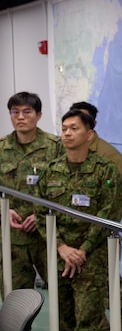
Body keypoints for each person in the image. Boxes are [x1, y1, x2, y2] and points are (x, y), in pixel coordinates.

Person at [35, 109, 122, 331]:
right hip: (60, 257)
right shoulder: (51, 171)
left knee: (88, 324)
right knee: (64, 320)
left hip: (91, 258)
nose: (67, 133)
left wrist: (82, 249)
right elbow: (41, 213)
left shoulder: (105, 170)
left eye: (74, 128)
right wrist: (62, 247)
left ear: (90, 134)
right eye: (64, 129)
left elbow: (109, 213)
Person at [70, 100, 122, 331]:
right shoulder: (65, 151)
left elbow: (119, 193)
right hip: (74, 231)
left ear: (92, 125)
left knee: (110, 277)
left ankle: (119, 320)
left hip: (102, 230)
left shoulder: (108, 155)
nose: (75, 128)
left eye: (82, 121)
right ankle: (97, 319)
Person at [0, 92, 61, 293]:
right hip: (11, 239)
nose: (20, 117)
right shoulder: (1, 148)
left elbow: (66, 188)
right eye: (15, 112)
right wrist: (3, 210)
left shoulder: (56, 147)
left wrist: (42, 215)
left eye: (27, 112)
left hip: (47, 235)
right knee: (14, 299)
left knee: (62, 295)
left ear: (39, 115)